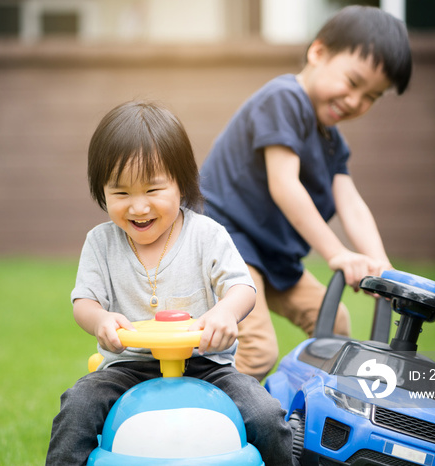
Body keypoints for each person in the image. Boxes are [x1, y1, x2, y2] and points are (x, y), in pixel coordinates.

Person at [45, 101, 296, 465]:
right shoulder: (101, 242)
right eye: (121, 193)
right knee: (76, 407)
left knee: (266, 416)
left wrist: (225, 313)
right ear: (101, 191)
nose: (138, 207)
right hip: (128, 366)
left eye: (152, 190)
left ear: (181, 183)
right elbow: (84, 300)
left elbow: (242, 287)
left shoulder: (206, 235)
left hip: (207, 365)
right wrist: (100, 320)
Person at [199, 6, 413, 381]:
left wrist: (383, 266)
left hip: (273, 256)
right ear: (318, 53)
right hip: (228, 242)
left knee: (334, 323)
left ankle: (316, 412)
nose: (355, 101)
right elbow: (285, 185)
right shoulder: (284, 100)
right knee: (257, 348)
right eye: (352, 81)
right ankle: (202, 413)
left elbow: (351, 204)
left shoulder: (332, 143)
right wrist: (337, 253)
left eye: (372, 97)